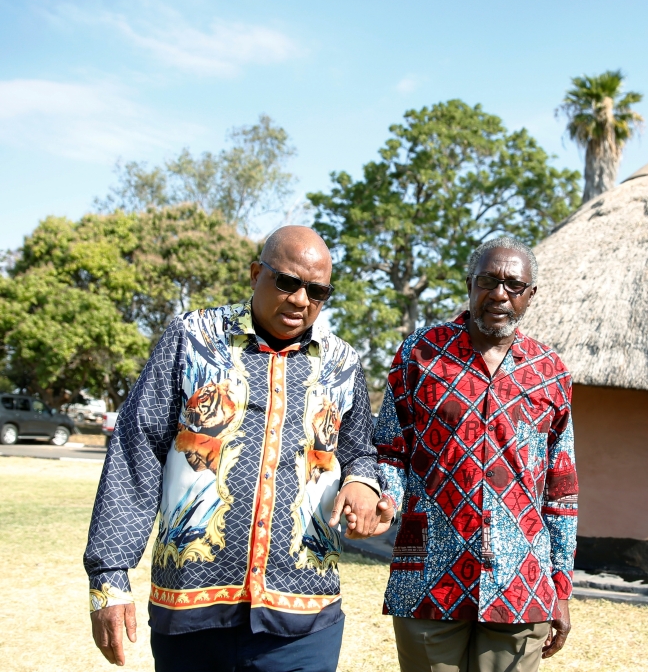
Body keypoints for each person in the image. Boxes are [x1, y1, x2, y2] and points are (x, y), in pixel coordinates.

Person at [84, 226, 389, 671]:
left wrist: (363, 482)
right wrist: (109, 579)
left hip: (305, 615)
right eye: (287, 282)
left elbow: (362, 448)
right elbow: (137, 450)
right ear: (254, 274)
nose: (301, 300)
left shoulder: (342, 362)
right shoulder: (192, 338)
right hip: (191, 609)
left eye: (318, 291)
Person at [370, 236, 577, 672]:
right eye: (488, 280)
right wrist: (384, 497)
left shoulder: (551, 373)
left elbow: (561, 493)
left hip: (520, 583)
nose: (499, 294)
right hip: (427, 577)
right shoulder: (419, 355)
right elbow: (389, 449)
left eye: (514, 285)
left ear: (531, 295)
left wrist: (560, 587)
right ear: (469, 283)